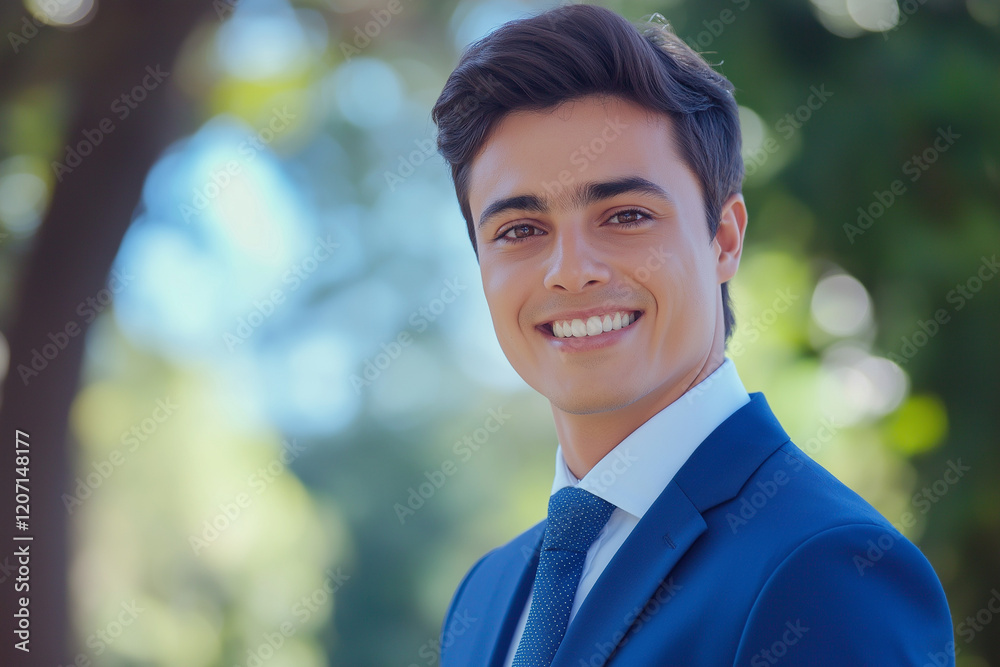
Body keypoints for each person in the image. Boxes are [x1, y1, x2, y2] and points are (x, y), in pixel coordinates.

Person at [430, 4, 955, 665]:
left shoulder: (830, 568)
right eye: (520, 230)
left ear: (724, 239)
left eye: (625, 215)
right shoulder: (484, 596)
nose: (570, 271)